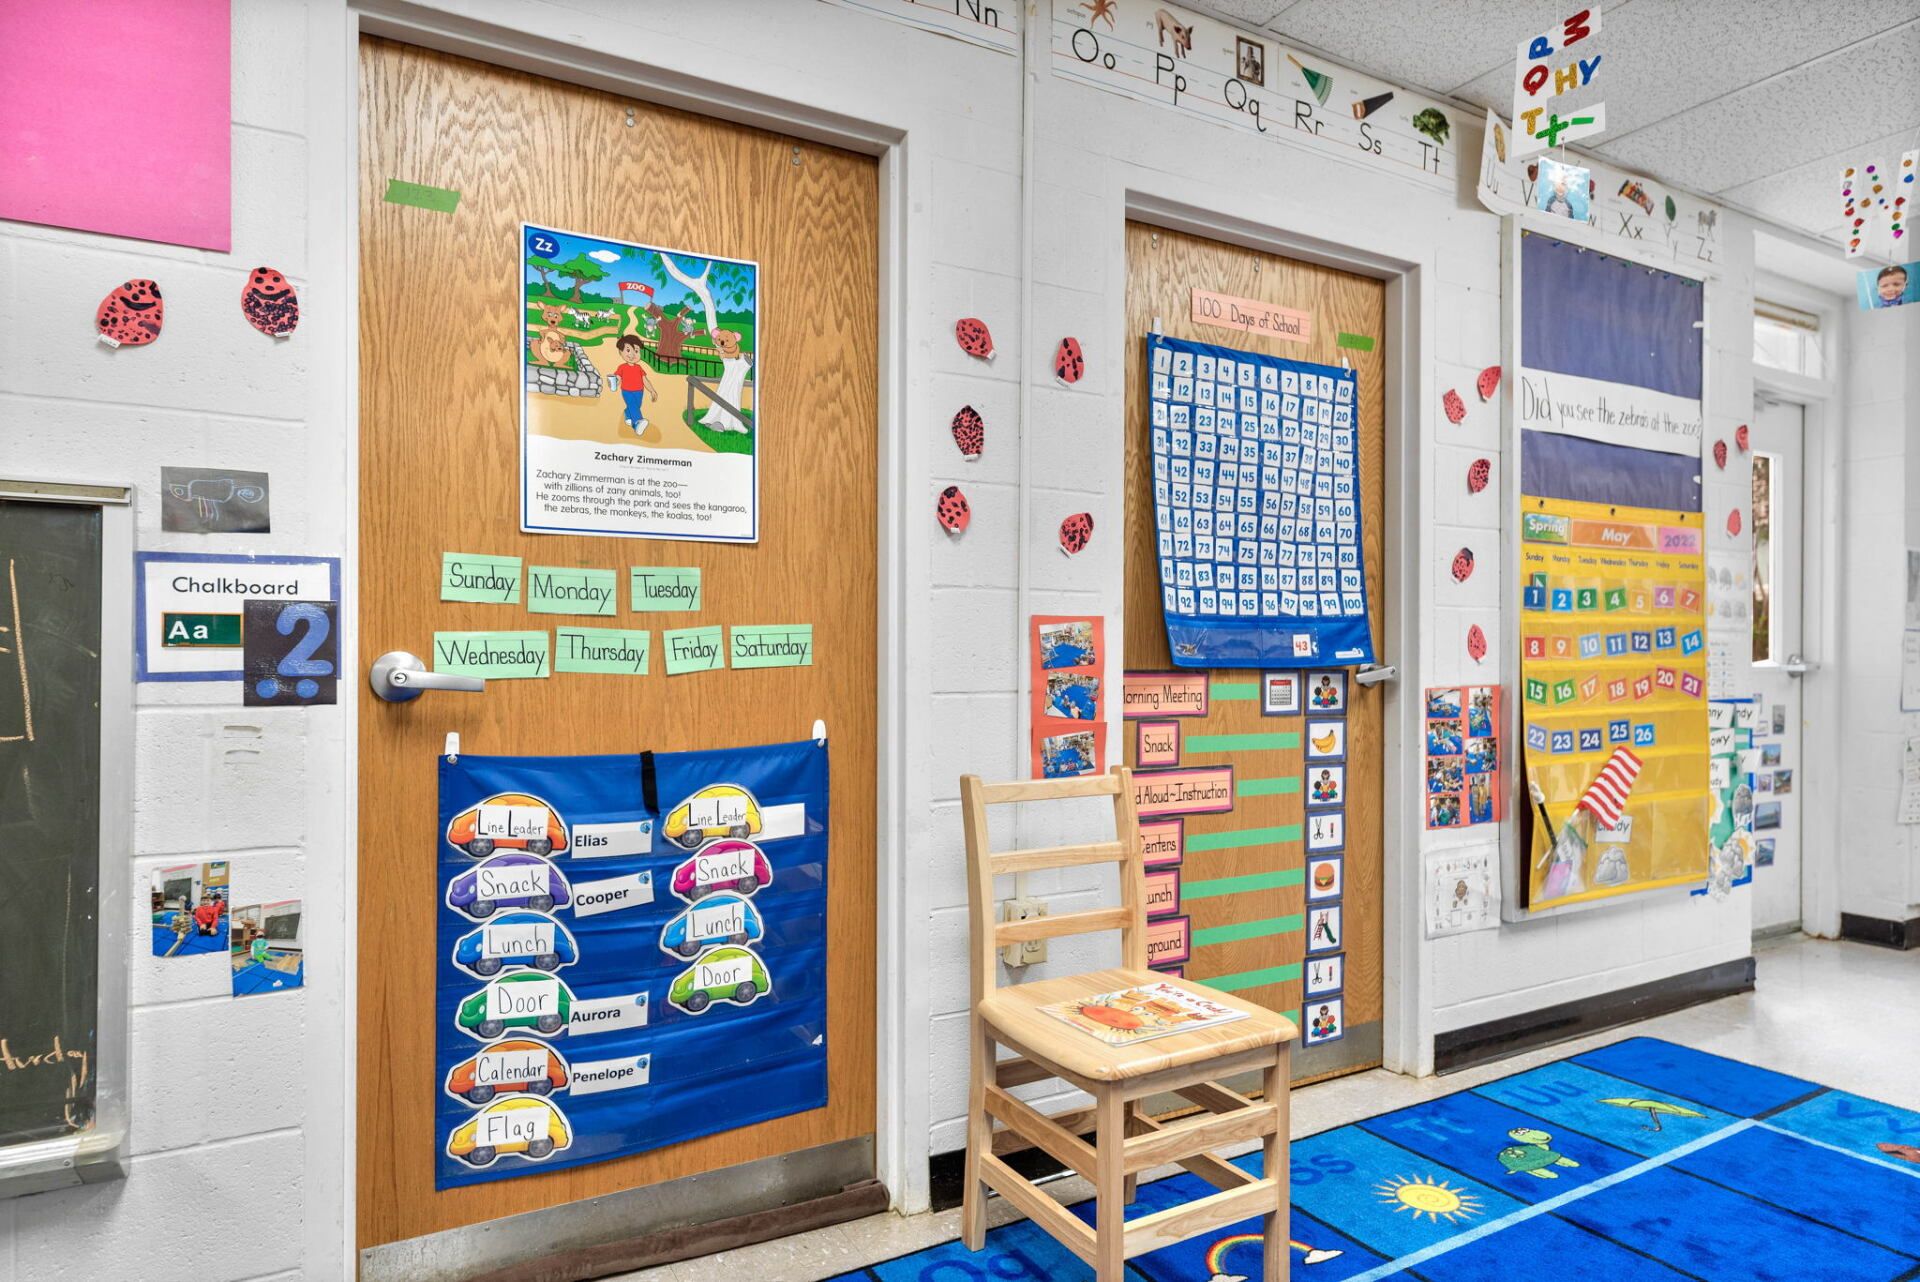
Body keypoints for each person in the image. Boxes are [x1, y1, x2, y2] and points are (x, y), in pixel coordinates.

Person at [606, 334, 657, 434]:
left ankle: (627, 413)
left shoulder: (639, 368)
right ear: (621, 352)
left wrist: (652, 390)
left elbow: (645, 380)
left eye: (636, 351)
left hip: (639, 391)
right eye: (628, 350)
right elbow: (618, 378)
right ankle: (637, 424)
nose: (632, 354)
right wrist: (613, 382)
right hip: (627, 391)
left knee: (636, 406)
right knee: (633, 405)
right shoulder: (622, 367)